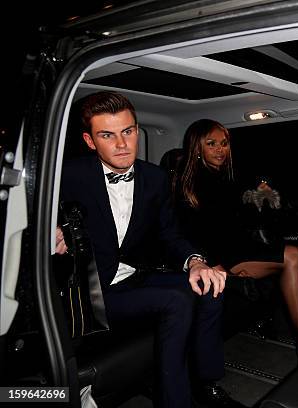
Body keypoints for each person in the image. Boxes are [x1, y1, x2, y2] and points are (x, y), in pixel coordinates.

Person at [55, 91, 243, 408]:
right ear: (90, 141)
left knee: (212, 284)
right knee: (177, 299)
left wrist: (195, 262)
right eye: (107, 135)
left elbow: (170, 234)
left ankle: (206, 381)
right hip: (92, 291)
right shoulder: (67, 175)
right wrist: (53, 230)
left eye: (128, 132)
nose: (122, 144)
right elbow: (30, 216)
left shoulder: (153, 178)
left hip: (133, 275)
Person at [174, 119, 298, 352]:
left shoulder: (227, 176)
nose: (219, 149)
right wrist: (216, 265)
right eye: (211, 143)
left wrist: (260, 193)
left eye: (224, 144)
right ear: (197, 147)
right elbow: (194, 234)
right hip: (221, 257)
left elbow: (243, 218)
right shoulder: (192, 184)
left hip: (240, 248)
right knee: (293, 257)